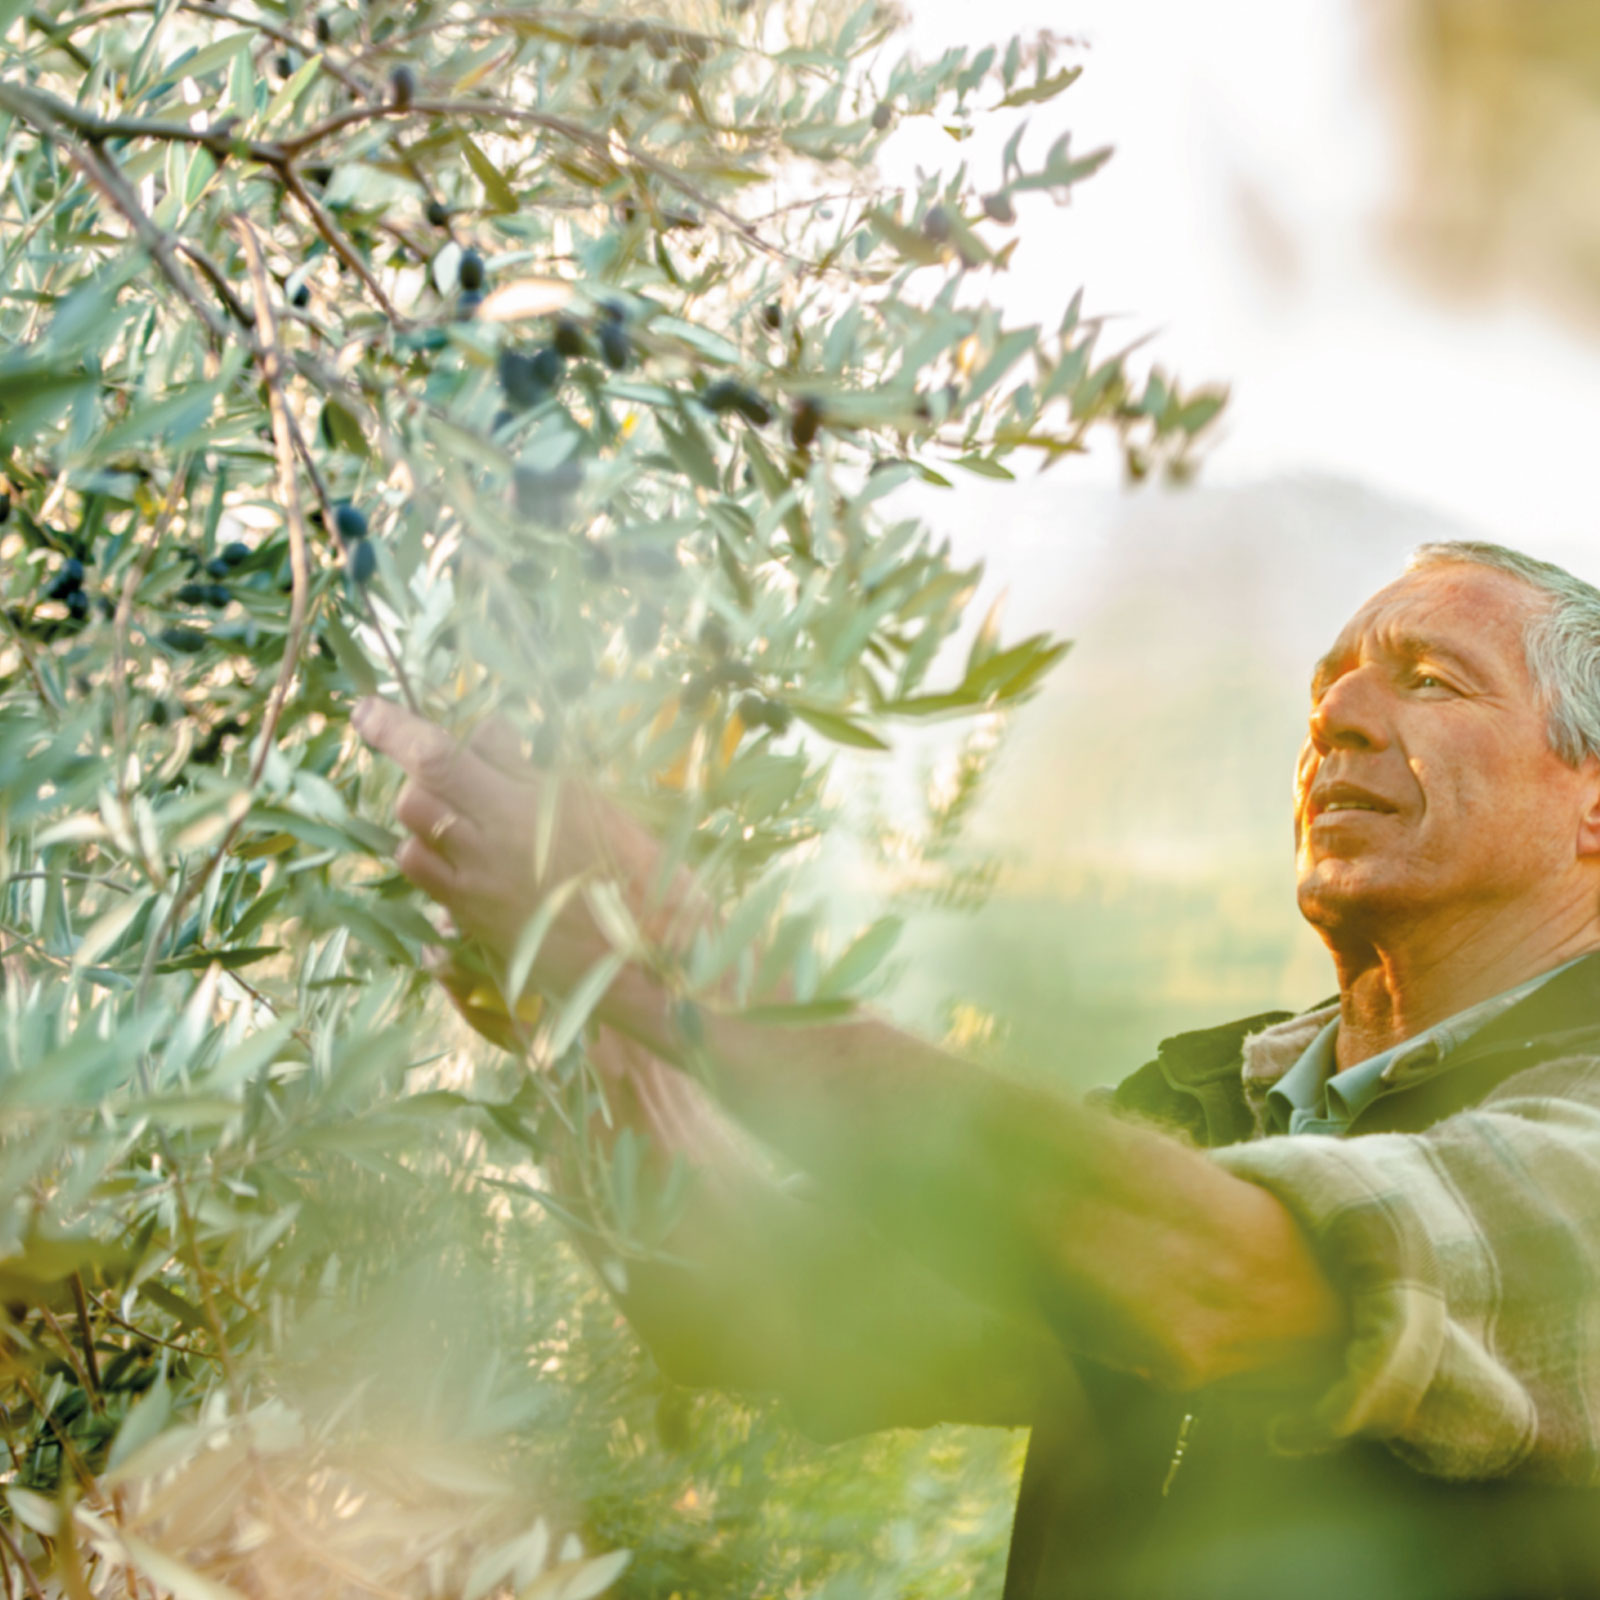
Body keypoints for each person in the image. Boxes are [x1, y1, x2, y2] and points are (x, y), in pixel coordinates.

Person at [355, 540, 1600, 1599]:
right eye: (1328, 683)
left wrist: (695, 958)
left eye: (1431, 681)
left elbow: (1231, 1281)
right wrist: (574, 998)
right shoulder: (1210, 1098)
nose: (1336, 716)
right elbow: (754, 1302)